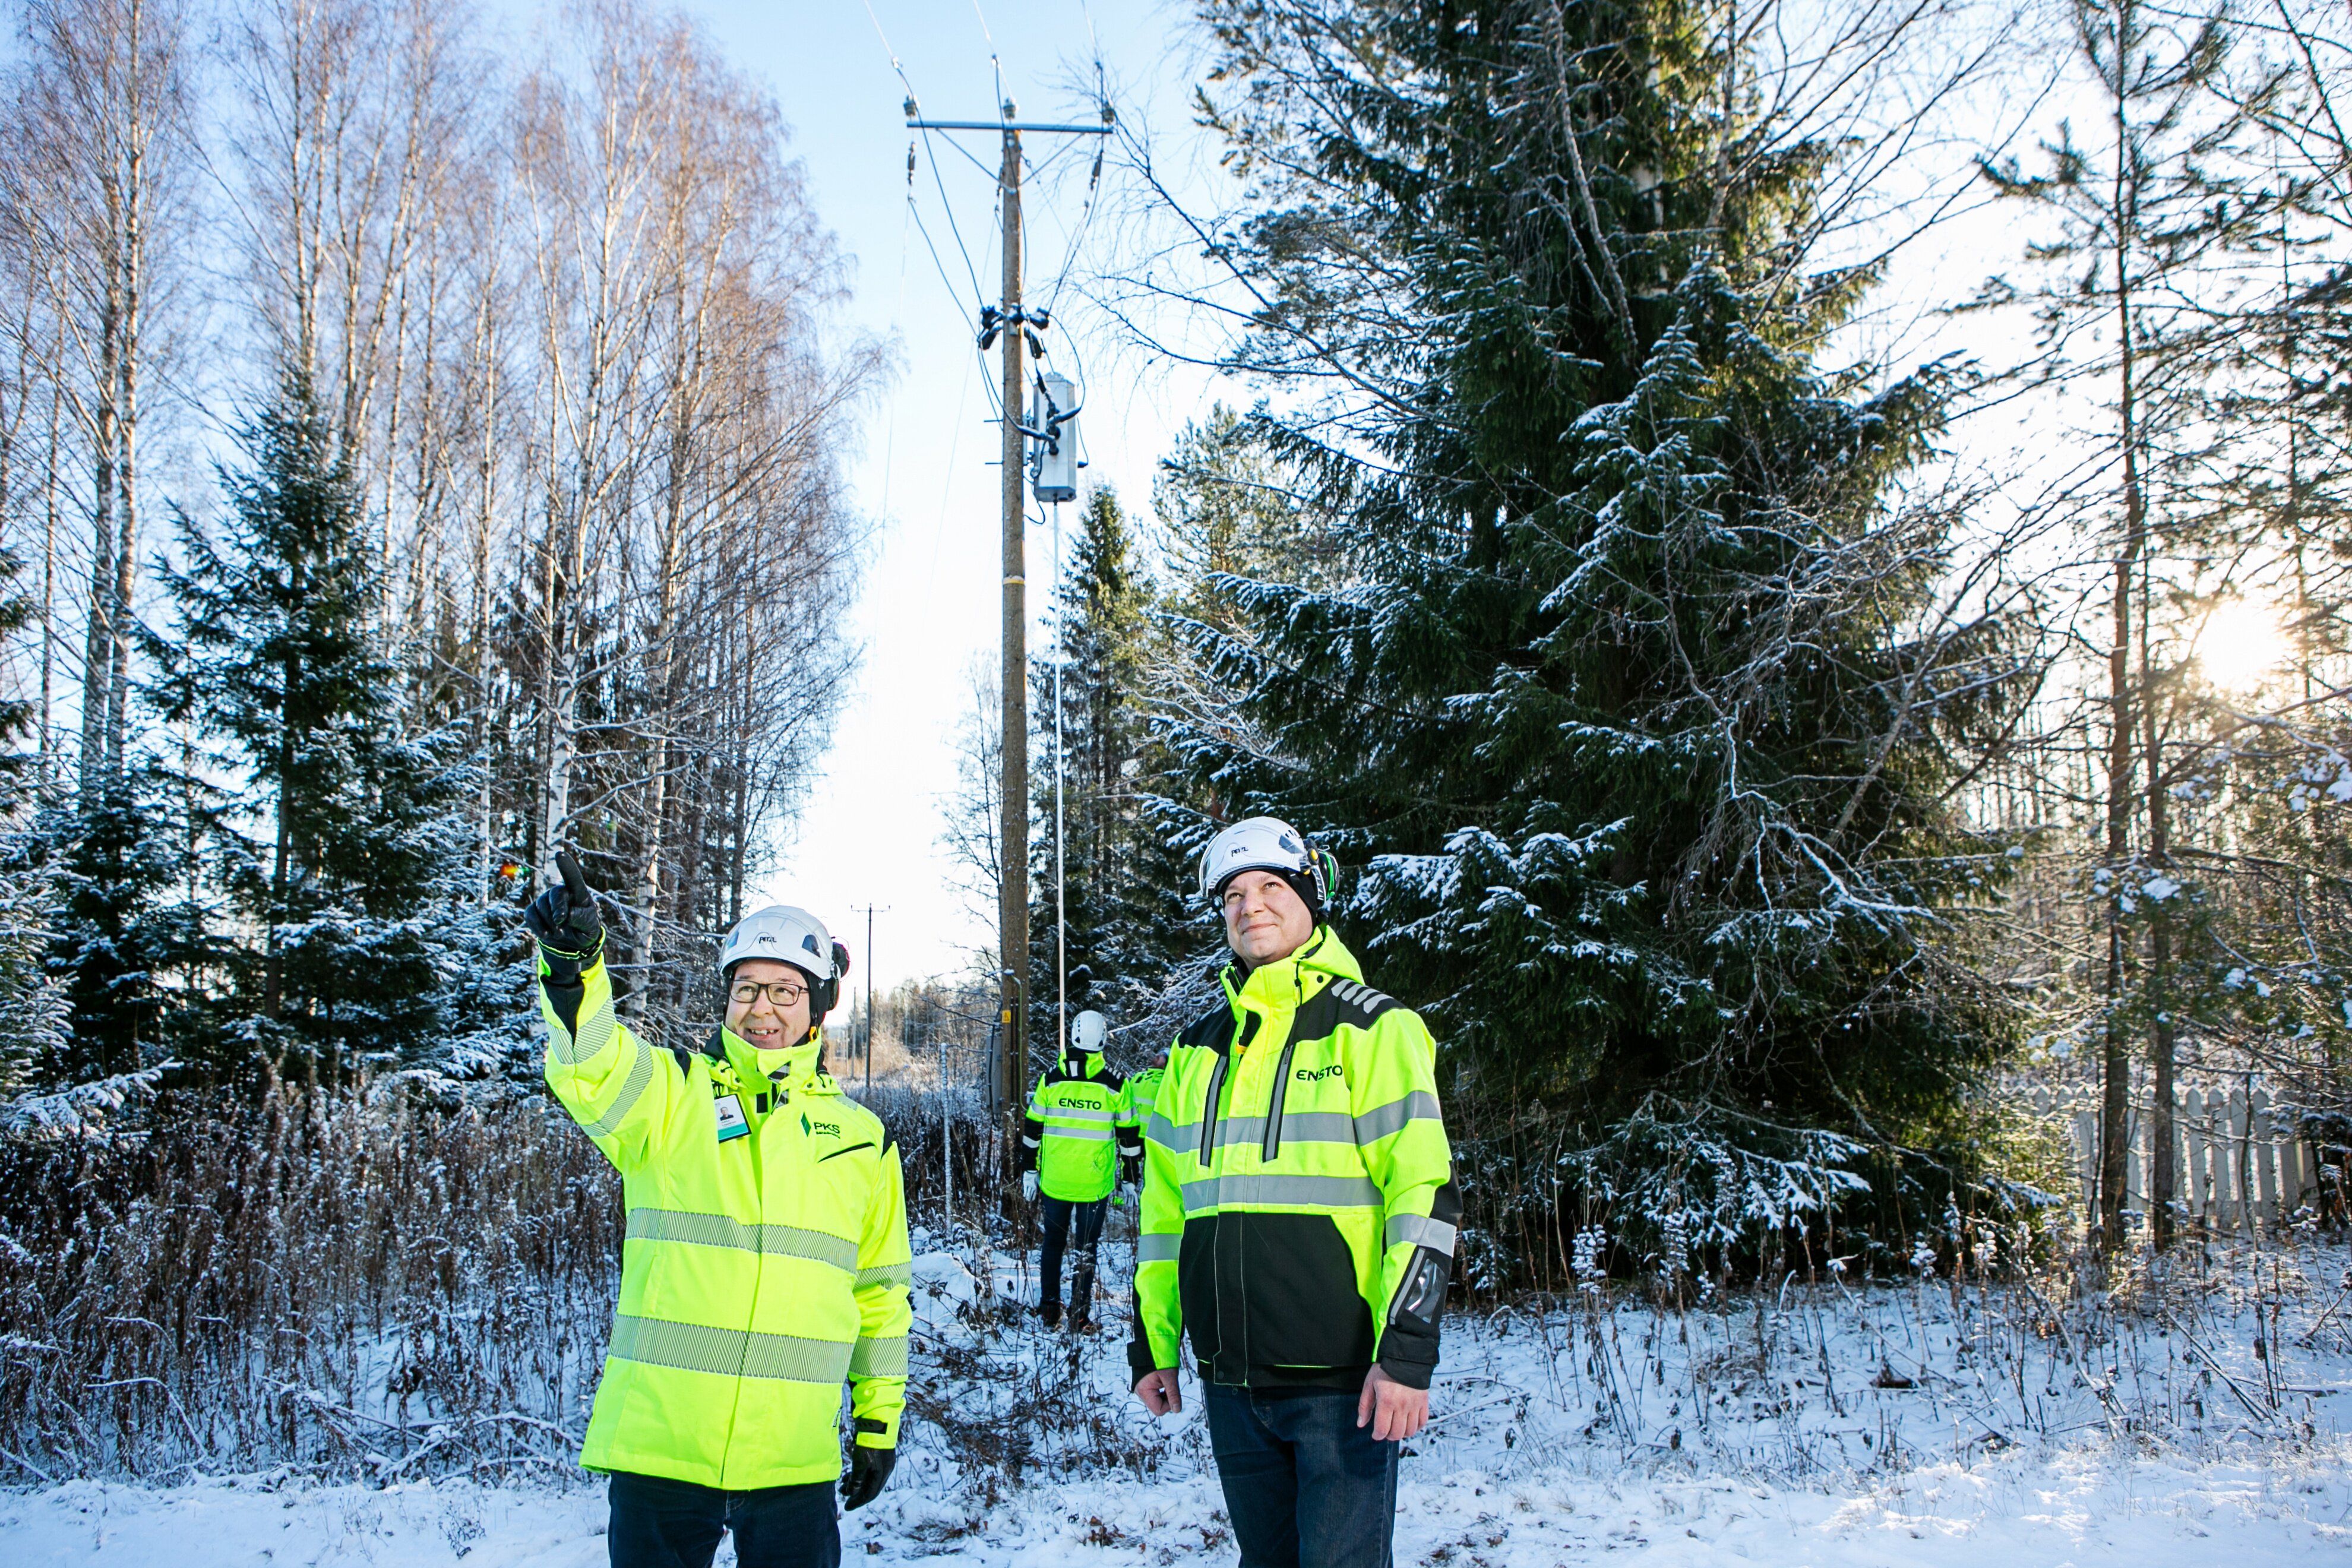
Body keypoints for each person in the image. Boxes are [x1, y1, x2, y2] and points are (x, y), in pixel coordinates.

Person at [527, 852, 911, 1568]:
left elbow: (881, 1295)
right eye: (746, 988)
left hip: (790, 1462)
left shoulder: (862, 1140)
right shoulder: (670, 1096)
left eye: (785, 991)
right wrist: (574, 968)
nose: (762, 1008)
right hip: (662, 1453)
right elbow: (590, 1064)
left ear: (820, 1004)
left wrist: (878, 1421)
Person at [1129, 818, 1457, 1568]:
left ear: (1310, 895)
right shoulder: (1196, 1049)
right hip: (1231, 1380)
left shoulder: (1376, 1028)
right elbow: (1164, 1213)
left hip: (1343, 1384)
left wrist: (1406, 1354)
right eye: (1234, 896)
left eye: (1272, 887)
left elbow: (1425, 1195)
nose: (1252, 908)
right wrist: (1154, 1341)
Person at [1021, 1007, 1140, 1329]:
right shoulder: (1116, 1085)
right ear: (1103, 1039)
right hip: (1094, 1186)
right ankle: (1079, 1315)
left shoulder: (1051, 1079)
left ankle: (1049, 1311)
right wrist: (1130, 1179)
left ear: (1073, 1035)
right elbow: (1129, 1138)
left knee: (1053, 1245)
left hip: (1055, 1182)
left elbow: (1032, 1130)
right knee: (1086, 1249)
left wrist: (1028, 1170)